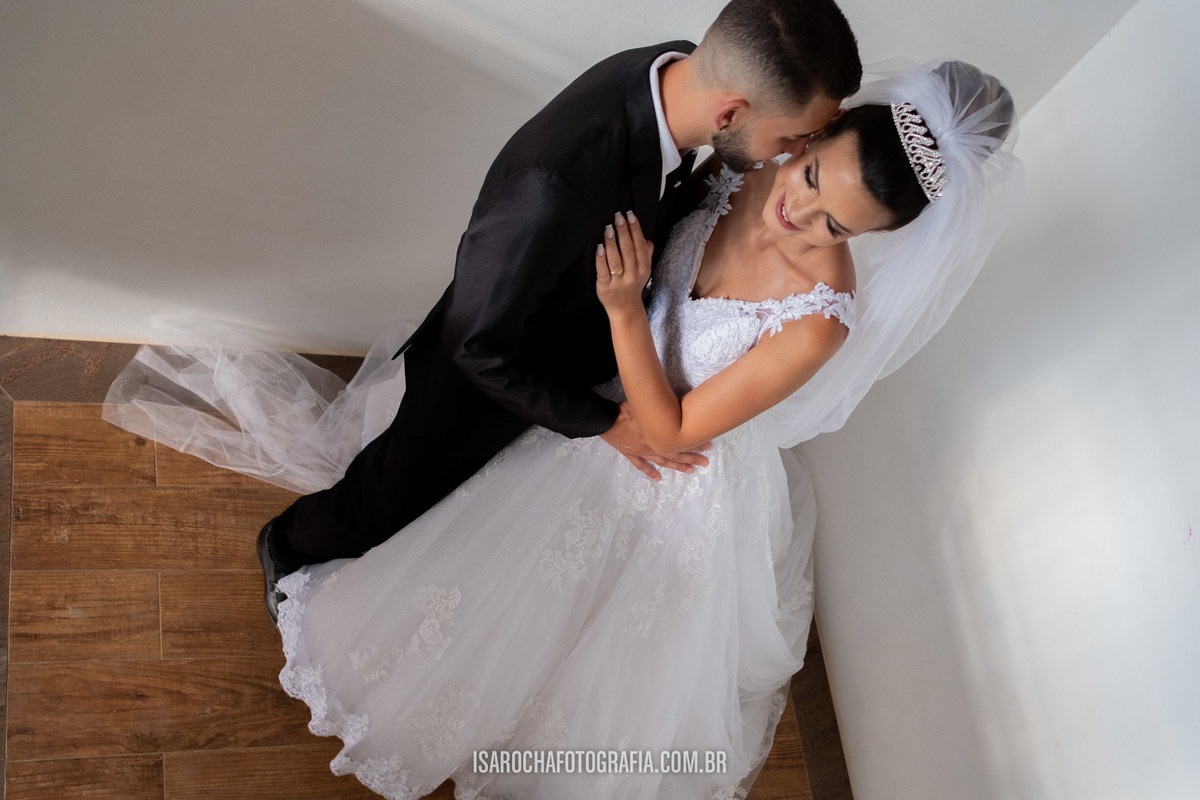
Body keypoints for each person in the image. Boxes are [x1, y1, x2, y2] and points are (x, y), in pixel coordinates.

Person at [105, 59, 1023, 799]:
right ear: (814, 135)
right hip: (601, 400)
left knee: (576, 646)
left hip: (665, 464)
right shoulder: (743, 167)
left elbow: (670, 430)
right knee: (471, 565)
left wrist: (623, 309)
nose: (799, 217)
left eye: (835, 226)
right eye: (812, 178)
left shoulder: (819, 319)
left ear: (875, 238)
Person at [249, 0, 863, 625]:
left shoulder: (675, 73)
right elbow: (476, 344)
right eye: (792, 137)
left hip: (573, 347)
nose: (796, 150)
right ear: (730, 113)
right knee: (391, 497)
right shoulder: (552, 186)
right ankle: (287, 542)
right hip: (488, 379)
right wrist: (605, 421)